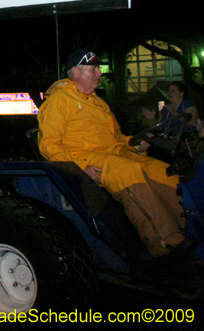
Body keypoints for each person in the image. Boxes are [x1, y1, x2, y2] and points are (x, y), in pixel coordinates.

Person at [38, 50, 190, 258]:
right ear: (76, 72)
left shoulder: (98, 103)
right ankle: (164, 244)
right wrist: (81, 167)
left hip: (116, 155)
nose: (99, 74)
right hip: (88, 159)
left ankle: (188, 228)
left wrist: (133, 144)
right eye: (93, 69)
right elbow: (48, 145)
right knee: (128, 173)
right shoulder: (59, 101)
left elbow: (117, 138)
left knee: (164, 171)